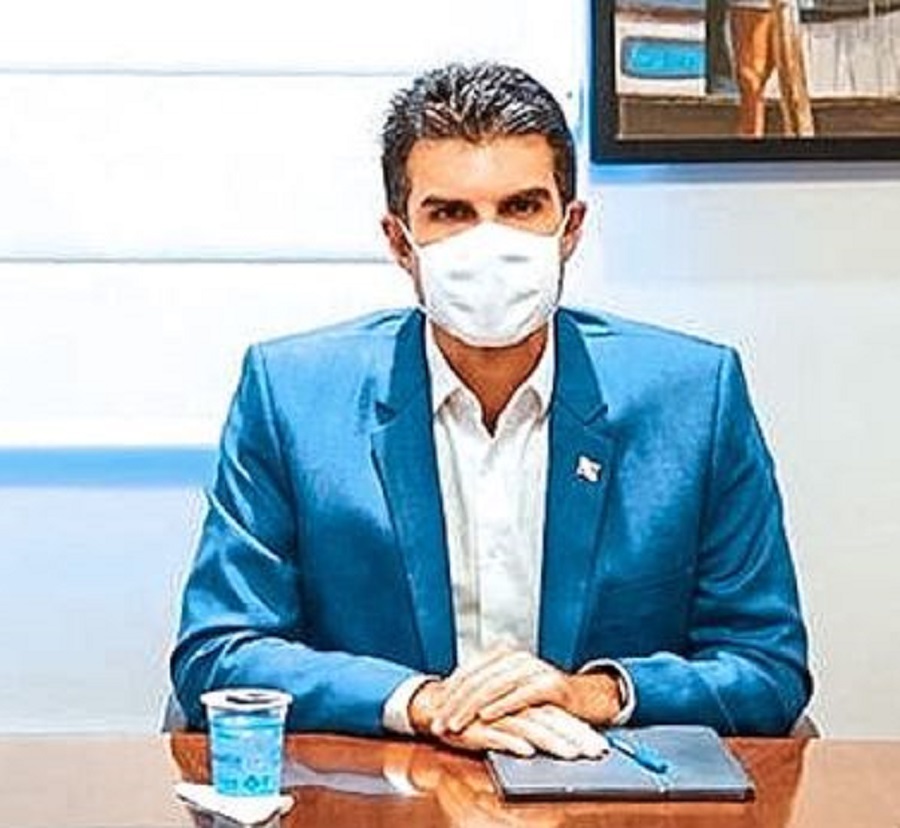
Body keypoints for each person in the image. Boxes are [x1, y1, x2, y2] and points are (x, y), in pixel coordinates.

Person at [171, 62, 811, 758]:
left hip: (607, 784)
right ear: (400, 241)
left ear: (570, 227)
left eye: (522, 207)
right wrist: (422, 703)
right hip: (390, 785)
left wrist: (590, 693)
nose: (490, 243)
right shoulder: (291, 395)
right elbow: (220, 650)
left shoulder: (694, 397)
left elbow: (765, 666)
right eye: (450, 214)